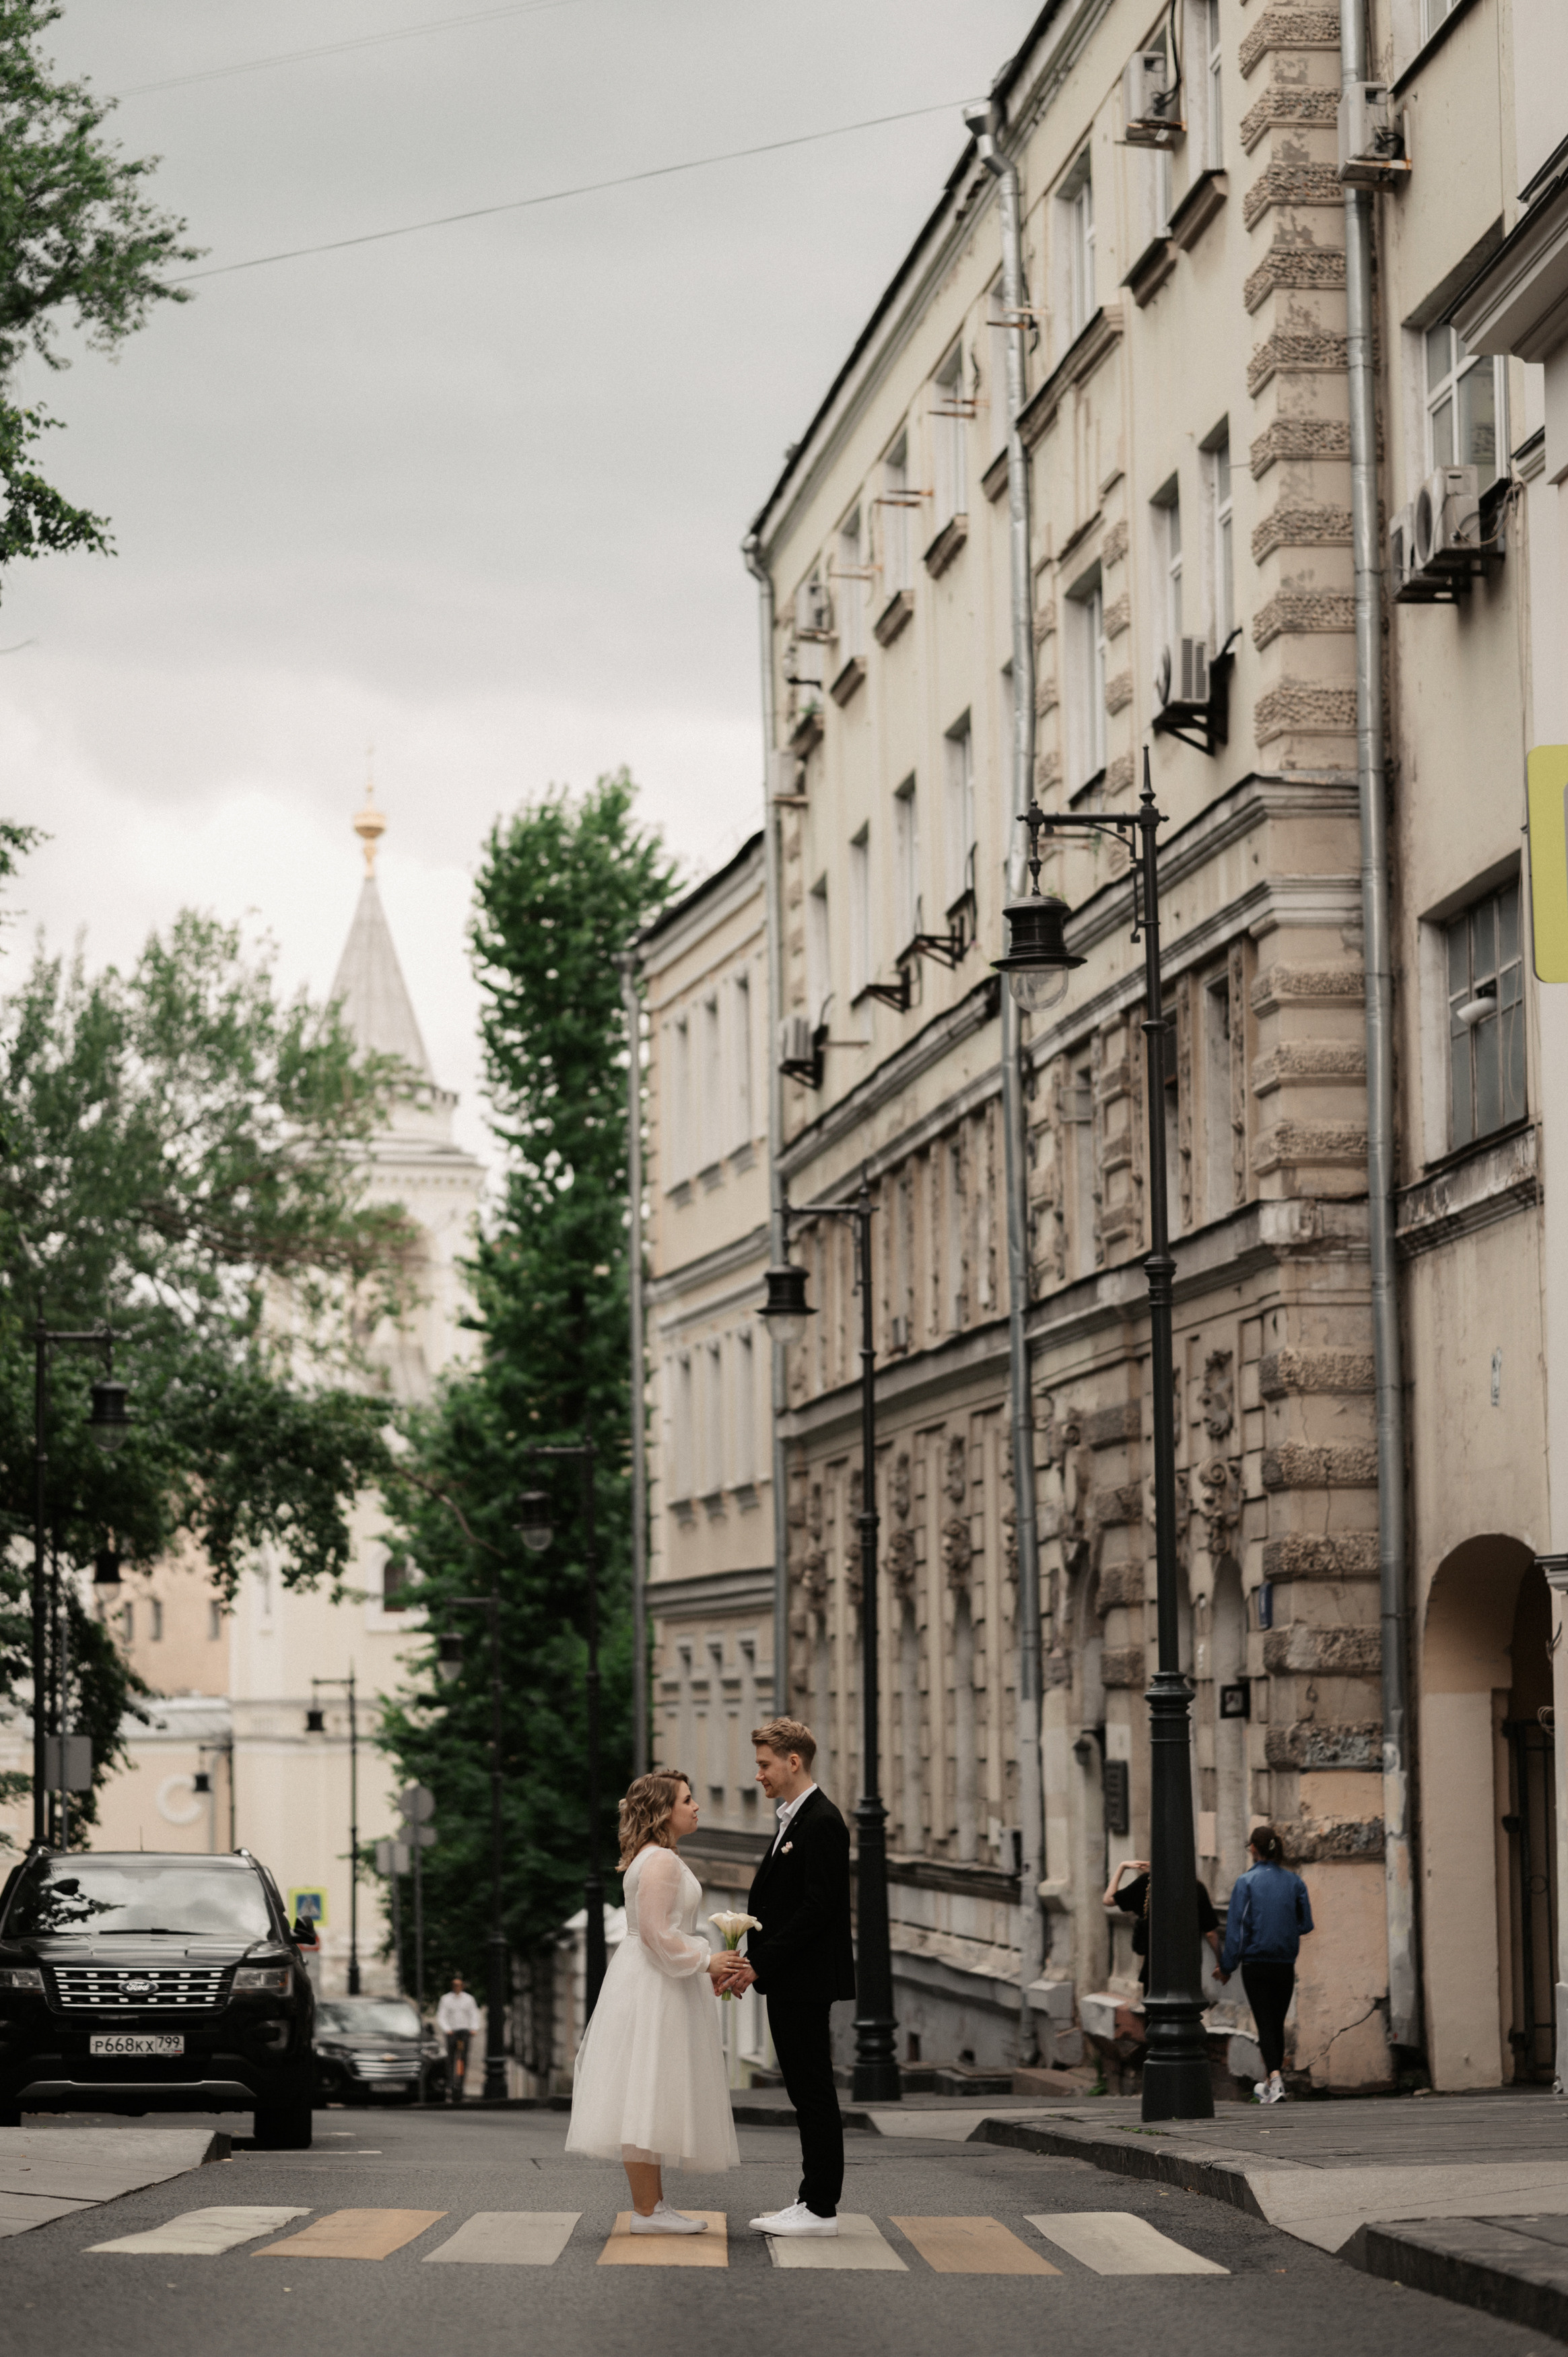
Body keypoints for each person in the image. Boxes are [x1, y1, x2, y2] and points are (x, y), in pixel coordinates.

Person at [565, 1768, 742, 2232]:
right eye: (687, 1800)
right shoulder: (660, 1860)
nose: (696, 1807)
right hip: (654, 1983)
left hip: (652, 1978)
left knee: (648, 2091)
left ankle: (652, 2207)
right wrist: (707, 1960)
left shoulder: (654, 1857)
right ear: (663, 1811)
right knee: (646, 2091)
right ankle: (648, 2211)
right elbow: (656, 1933)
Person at [724, 1716, 855, 2241]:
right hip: (791, 1976)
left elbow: (817, 1909)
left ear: (793, 1761)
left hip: (804, 1978)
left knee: (812, 2091)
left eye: (764, 1764)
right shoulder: (794, 1819)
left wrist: (761, 1963)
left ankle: (819, 2206)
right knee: (805, 2090)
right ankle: (811, 2200)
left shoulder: (820, 1821)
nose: (758, 1774)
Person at [1217, 1824, 1314, 2103]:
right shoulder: (1295, 1882)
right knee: (1276, 2021)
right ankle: (1272, 2083)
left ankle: (1275, 2080)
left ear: (1253, 1849)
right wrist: (1284, 1928)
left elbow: (1237, 1931)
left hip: (1256, 1964)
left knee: (1265, 2022)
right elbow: (1306, 1924)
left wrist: (1226, 1967)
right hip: (1284, 1962)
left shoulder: (1246, 1883)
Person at [1104, 1857, 1223, 1995]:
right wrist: (1220, 1962)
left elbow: (1108, 1900)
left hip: (1155, 1967)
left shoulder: (1147, 1883)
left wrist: (1122, 1867)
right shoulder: (1196, 1888)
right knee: (1186, 2005)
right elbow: (1211, 1933)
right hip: (1187, 1966)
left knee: (1155, 2006)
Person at [436, 1972, 481, 2103]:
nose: (457, 1987)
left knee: (462, 2058)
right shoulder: (446, 1999)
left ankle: (460, 2083)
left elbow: (474, 2014)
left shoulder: (469, 1999)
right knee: (451, 2058)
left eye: (459, 1985)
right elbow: (442, 2015)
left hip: (464, 2032)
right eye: (455, 1985)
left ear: (462, 1986)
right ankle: (451, 2083)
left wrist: (474, 2028)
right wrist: (447, 2029)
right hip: (452, 2032)